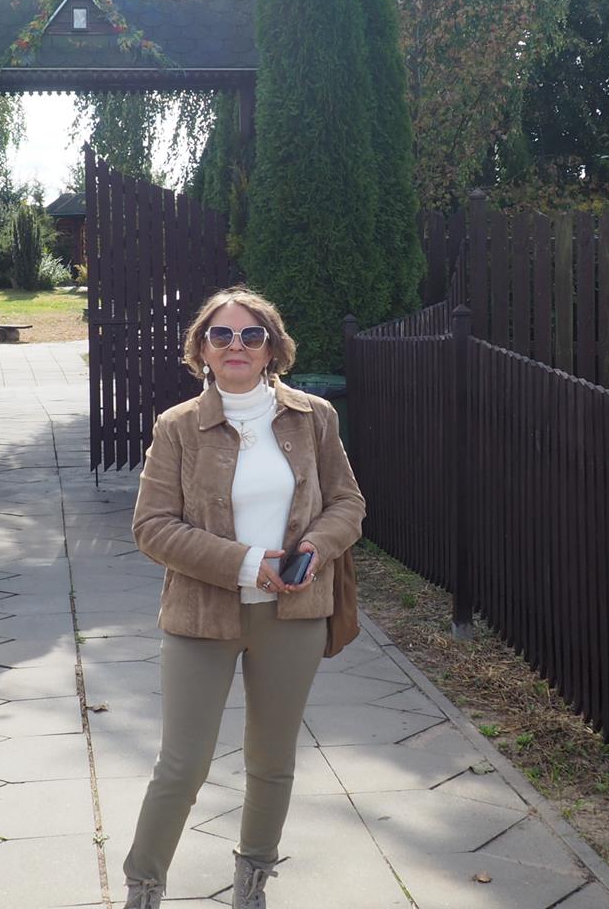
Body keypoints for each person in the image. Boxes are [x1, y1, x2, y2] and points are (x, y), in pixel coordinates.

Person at [122, 287, 366, 909]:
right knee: (182, 765)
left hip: (294, 617)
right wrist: (250, 564)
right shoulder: (178, 427)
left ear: (271, 348)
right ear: (202, 349)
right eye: (221, 335)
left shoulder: (314, 417)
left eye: (251, 335)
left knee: (272, 760)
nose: (237, 345)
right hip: (201, 619)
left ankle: (252, 885)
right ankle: (143, 889)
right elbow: (152, 527)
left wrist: (314, 548)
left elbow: (347, 503)